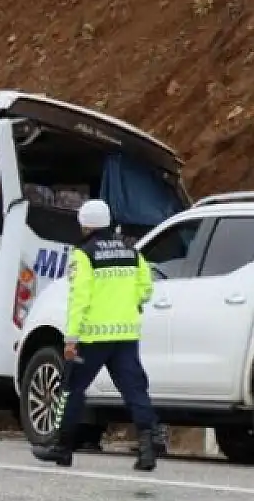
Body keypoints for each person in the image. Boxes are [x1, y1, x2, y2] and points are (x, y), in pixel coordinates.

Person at [32, 200, 159, 471]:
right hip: (125, 334)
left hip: (92, 337)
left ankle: (62, 447)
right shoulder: (131, 251)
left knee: (72, 389)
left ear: (85, 224)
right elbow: (147, 288)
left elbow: (79, 299)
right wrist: (131, 302)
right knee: (135, 390)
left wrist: (71, 338)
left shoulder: (83, 255)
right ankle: (148, 449)